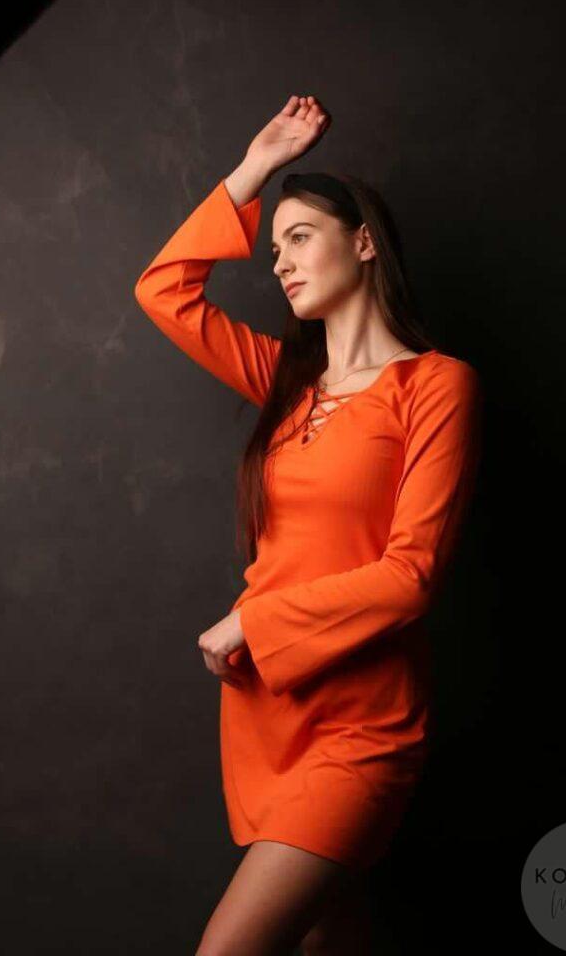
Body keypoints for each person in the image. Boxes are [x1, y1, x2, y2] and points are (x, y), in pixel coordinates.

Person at [134, 95, 483, 955]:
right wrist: (254, 170)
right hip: (265, 716)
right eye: (274, 245)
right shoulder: (285, 386)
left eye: (299, 237)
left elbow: (411, 577)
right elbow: (163, 292)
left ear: (363, 242)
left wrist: (253, 621)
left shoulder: (434, 386)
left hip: (361, 722)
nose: (280, 262)